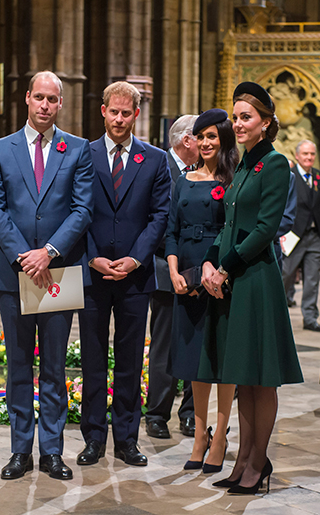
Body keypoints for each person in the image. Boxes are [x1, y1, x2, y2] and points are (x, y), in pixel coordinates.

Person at [0, 71, 94, 481]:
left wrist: (48, 252)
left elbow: (82, 210)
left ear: (60, 104)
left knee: (53, 367)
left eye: (53, 99)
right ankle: (19, 452)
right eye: (39, 97)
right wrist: (25, 256)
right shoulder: (0, 149)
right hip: (15, 274)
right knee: (17, 367)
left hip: (57, 272)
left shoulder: (76, 149)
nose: (45, 105)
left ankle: (51, 451)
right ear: (27, 99)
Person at [201, 82, 303, 494]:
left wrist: (223, 268)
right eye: (236, 116)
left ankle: (258, 462)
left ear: (266, 122)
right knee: (242, 377)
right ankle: (243, 458)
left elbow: (265, 229)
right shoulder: (242, 164)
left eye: (247, 117)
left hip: (255, 279)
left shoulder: (275, 164)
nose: (238, 123)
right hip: (232, 278)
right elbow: (227, 223)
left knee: (261, 378)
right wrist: (209, 262)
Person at [77, 81, 170, 469]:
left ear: (137, 114)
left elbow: (160, 215)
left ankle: (127, 440)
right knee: (93, 358)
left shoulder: (155, 159)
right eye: (113, 111)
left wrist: (134, 259)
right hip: (94, 274)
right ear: (102, 111)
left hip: (134, 277)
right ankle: (93, 438)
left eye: (126, 112)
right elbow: (75, 212)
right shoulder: (83, 154)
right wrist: (93, 258)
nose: (119, 119)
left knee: (131, 360)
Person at [165, 109, 232, 473]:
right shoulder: (185, 179)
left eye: (212, 137)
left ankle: (220, 433)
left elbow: (232, 230)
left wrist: (218, 270)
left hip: (219, 274)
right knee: (194, 359)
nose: (206, 143)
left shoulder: (232, 178)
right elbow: (171, 229)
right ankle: (199, 436)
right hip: (186, 274)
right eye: (200, 137)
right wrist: (174, 271)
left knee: (219, 357)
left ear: (223, 139)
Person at [146, 114, 198, 440]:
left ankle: (191, 413)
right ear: (187, 140)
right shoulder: (157, 166)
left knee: (194, 343)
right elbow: (153, 219)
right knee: (163, 346)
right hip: (165, 271)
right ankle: (157, 414)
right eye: (202, 137)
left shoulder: (205, 172)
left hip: (196, 275)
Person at [282, 140, 320, 332]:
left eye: (312, 154)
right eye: (305, 154)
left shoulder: (318, 176)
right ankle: (278, 312)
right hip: (293, 234)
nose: (309, 157)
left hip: (314, 235)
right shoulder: (289, 175)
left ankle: (310, 318)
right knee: (286, 274)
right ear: (297, 156)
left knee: (312, 279)